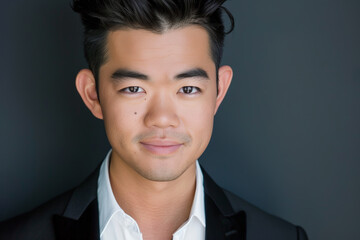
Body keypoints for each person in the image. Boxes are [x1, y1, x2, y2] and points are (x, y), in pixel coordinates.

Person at [0, 0, 308, 239]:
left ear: (218, 91)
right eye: (134, 88)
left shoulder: (279, 237)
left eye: (188, 88)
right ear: (93, 94)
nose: (162, 119)